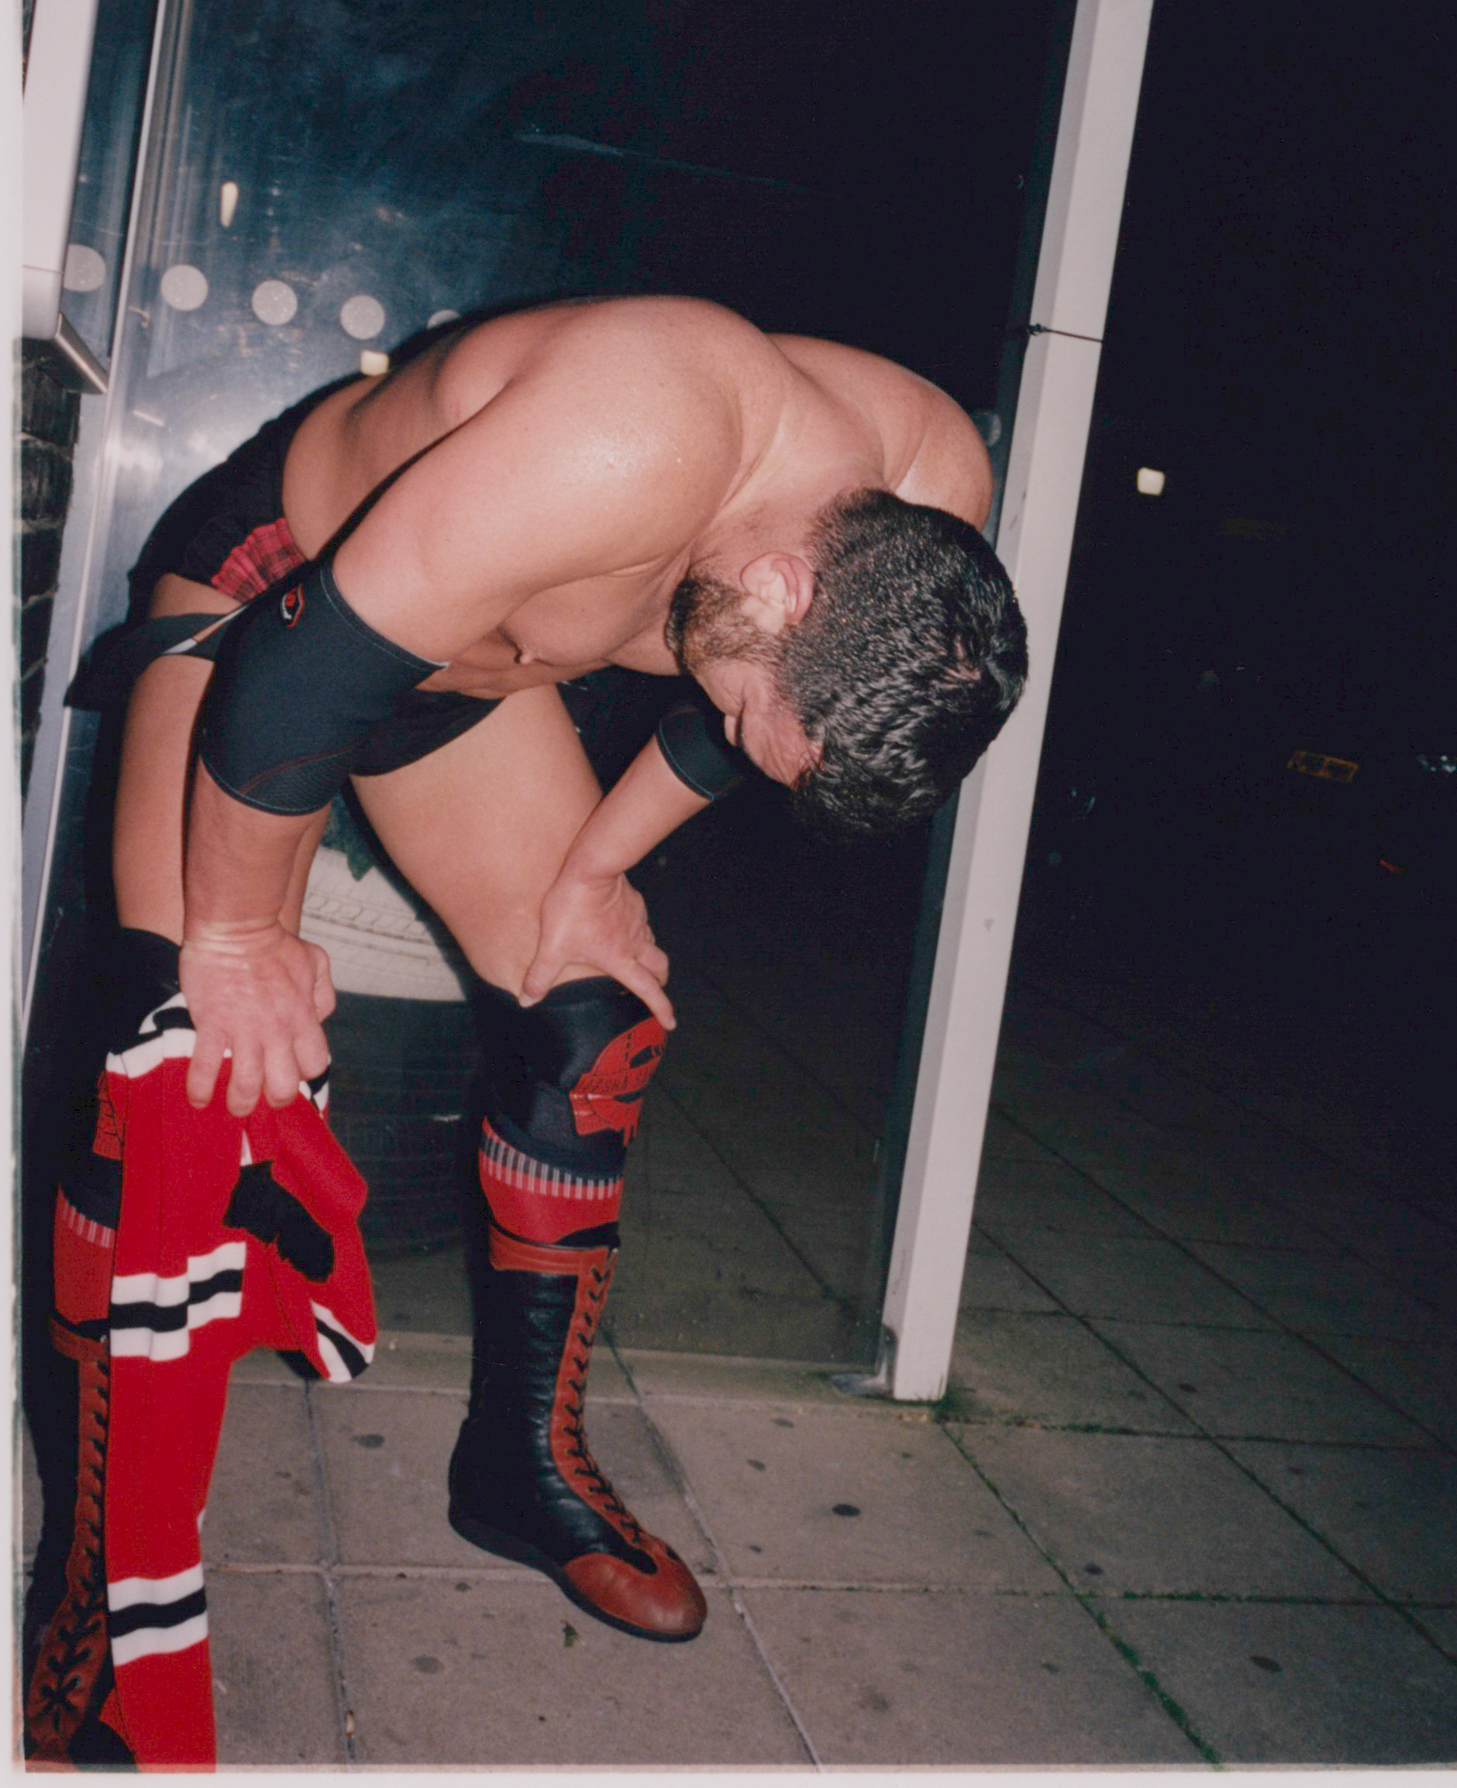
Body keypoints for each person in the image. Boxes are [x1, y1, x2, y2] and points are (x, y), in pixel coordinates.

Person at [32, 295, 1027, 1750]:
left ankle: (519, 1462)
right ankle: (97, 1620)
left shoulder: (919, 513)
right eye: (759, 715)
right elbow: (297, 682)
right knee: (189, 1064)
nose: (736, 733)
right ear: (784, 582)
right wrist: (245, 938)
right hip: (273, 615)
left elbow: (721, 717)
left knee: (592, 1018)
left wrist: (591, 876)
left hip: (473, 675)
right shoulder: (632, 434)